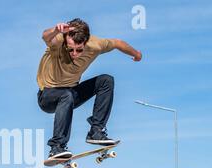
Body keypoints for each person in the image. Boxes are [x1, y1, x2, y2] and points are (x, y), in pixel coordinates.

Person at [37, 18, 142, 160]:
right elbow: (45, 35)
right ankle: (57, 147)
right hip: (47, 96)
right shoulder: (58, 41)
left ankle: (96, 130)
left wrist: (136, 54)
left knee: (106, 80)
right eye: (70, 49)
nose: (74, 53)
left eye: (79, 50)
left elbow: (118, 43)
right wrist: (56, 30)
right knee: (66, 95)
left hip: (71, 93)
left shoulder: (95, 45)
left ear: (86, 42)